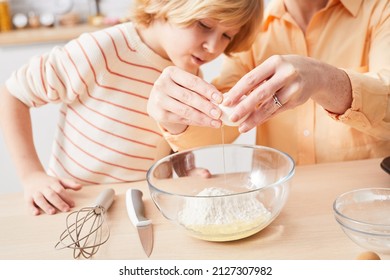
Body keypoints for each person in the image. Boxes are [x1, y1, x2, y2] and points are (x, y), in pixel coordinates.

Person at [0, 0, 264, 215]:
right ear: (165, 4)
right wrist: (31, 175)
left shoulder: (190, 71)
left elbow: (169, 136)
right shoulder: (101, 50)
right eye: (204, 25)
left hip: (141, 204)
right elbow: (13, 94)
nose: (213, 47)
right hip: (75, 202)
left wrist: (182, 167)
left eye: (227, 35)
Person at [147, 0, 390, 165]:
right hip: (280, 206)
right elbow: (223, 121)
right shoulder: (253, 31)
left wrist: (325, 79)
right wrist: (174, 119)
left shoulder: (381, 11)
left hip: (367, 203)